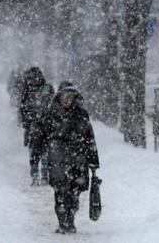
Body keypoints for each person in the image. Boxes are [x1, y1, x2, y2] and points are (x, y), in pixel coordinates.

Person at [41, 82, 99, 234]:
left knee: (74, 194)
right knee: (60, 193)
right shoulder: (51, 114)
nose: (68, 99)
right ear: (59, 97)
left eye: (71, 96)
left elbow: (89, 138)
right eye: (65, 96)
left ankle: (70, 220)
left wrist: (93, 161)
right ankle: (62, 222)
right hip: (57, 161)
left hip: (77, 160)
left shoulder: (81, 115)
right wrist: (38, 151)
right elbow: (43, 135)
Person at [19, 66, 54, 186]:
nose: (34, 80)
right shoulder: (26, 91)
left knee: (46, 154)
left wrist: (48, 119)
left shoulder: (48, 89)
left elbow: (53, 106)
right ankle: (34, 178)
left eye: (36, 77)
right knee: (33, 154)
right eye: (32, 78)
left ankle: (45, 176)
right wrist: (29, 121)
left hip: (46, 127)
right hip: (32, 128)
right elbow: (23, 109)